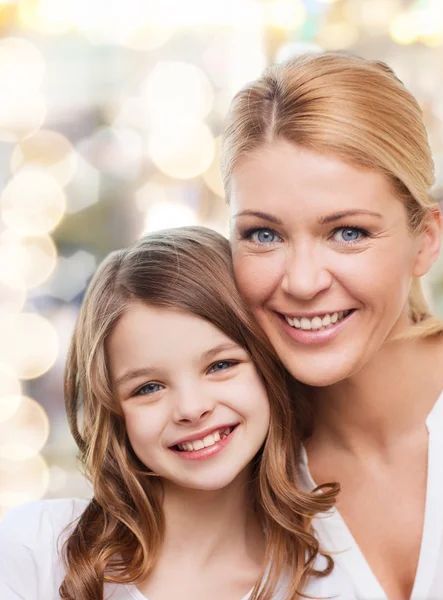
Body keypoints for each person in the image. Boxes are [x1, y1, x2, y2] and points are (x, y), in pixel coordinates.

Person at [222, 51, 443, 599]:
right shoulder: (223, 469)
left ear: (427, 239)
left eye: (347, 232)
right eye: (263, 235)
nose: (301, 282)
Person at [0, 227, 356, 600]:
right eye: (148, 388)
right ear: (114, 411)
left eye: (220, 365)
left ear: (268, 366)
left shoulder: (330, 580)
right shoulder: (39, 551)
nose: (191, 408)